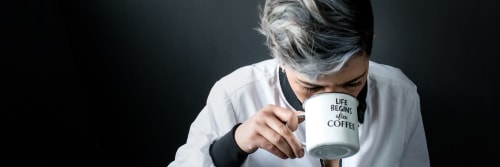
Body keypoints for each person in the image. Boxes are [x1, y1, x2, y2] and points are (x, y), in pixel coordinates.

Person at [168, 0, 430, 166]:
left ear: (370, 46)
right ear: (279, 57)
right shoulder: (234, 96)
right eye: (312, 86)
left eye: (353, 83)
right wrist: (233, 146)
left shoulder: (401, 95)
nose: (334, 95)